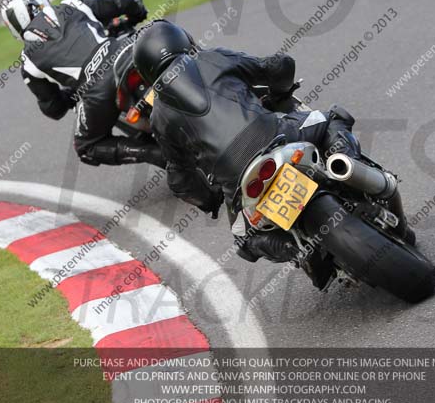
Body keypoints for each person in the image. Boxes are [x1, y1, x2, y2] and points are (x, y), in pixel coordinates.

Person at [130, 20, 413, 263]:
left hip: (238, 180)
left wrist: (209, 200)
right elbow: (277, 66)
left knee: (244, 239)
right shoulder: (210, 58)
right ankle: (345, 164)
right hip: (277, 135)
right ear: (183, 40)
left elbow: (180, 179)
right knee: (333, 118)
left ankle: (298, 250)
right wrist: (280, 90)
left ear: (146, 69)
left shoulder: (159, 117)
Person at [0, 0, 163, 167]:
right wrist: (138, 13)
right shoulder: (73, 4)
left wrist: (71, 93)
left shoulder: (27, 61)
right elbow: (123, 1)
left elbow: (53, 108)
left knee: (87, 148)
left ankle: (157, 154)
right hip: (127, 52)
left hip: (97, 93)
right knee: (164, 38)